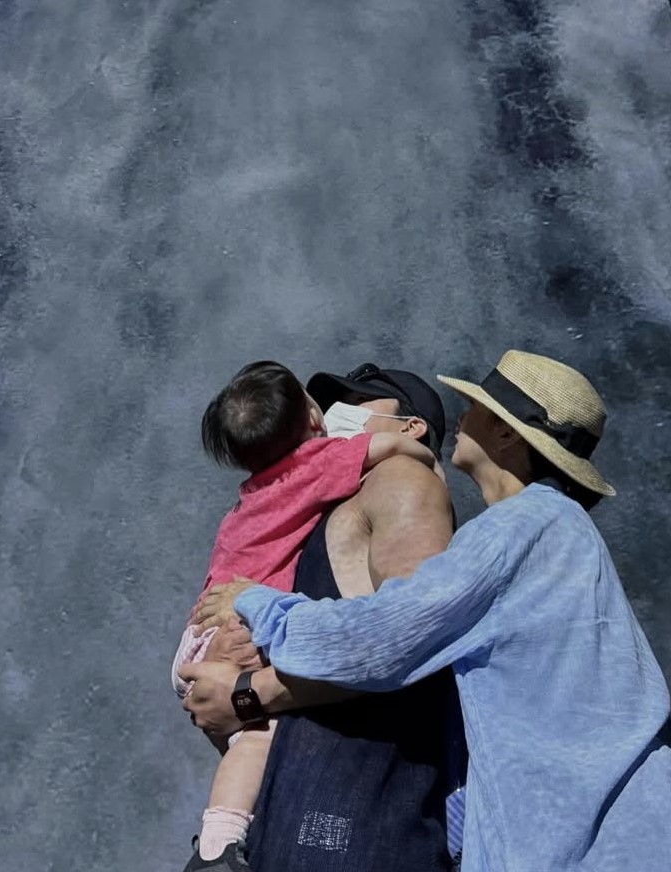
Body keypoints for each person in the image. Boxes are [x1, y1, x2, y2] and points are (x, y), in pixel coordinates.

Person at [198, 349, 671, 872]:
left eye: (478, 407)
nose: (462, 415)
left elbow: (389, 636)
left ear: (506, 433)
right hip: (603, 837)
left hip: (611, 842)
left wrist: (257, 608)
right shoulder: (546, 534)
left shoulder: (526, 525)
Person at [180, 363, 465, 872]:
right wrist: (230, 675)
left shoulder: (404, 479)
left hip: (355, 829)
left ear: (410, 427)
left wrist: (245, 691)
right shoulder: (312, 503)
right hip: (292, 824)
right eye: (328, 404)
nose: (335, 414)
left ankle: (216, 845)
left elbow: (408, 641)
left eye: (358, 402)